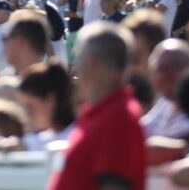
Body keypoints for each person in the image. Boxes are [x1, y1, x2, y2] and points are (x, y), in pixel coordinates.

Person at [51, 22, 145, 190]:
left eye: (78, 58)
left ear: (92, 62)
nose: (76, 68)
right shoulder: (105, 113)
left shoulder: (118, 119)